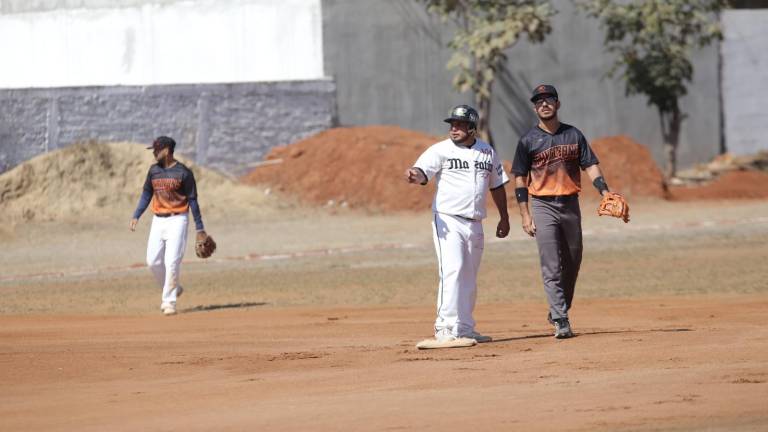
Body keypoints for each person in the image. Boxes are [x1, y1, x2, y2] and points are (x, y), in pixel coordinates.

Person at [511, 84, 620, 338]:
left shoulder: (573, 134)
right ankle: (560, 318)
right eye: (539, 101)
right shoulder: (528, 140)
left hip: (570, 203)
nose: (544, 104)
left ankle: (560, 307)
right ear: (535, 107)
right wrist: (525, 214)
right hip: (542, 205)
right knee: (551, 264)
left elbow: (590, 165)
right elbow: (519, 178)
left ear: (558, 104)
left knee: (573, 260)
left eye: (549, 99)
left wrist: (605, 191)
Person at [405, 105, 510, 347]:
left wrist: (504, 217)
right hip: (448, 219)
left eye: (460, 124)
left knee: (469, 276)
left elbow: (496, 185)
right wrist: (414, 175)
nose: (454, 128)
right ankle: (444, 328)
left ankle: (464, 328)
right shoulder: (440, 150)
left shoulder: (487, 151)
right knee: (453, 270)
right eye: (452, 124)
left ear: (472, 128)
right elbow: (423, 172)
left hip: (475, 222)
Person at [129, 136, 208, 316]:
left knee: (172, 261)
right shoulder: (153, 171)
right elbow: (146, 194)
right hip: (158, 220)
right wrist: (136, 215)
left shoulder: (184, 173)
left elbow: (193, 201)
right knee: (153, 261)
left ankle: (169, 302)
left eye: (157, 149)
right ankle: (173, 287)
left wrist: (200, 227)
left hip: (178, 219)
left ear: (167, 150)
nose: (154, 152)